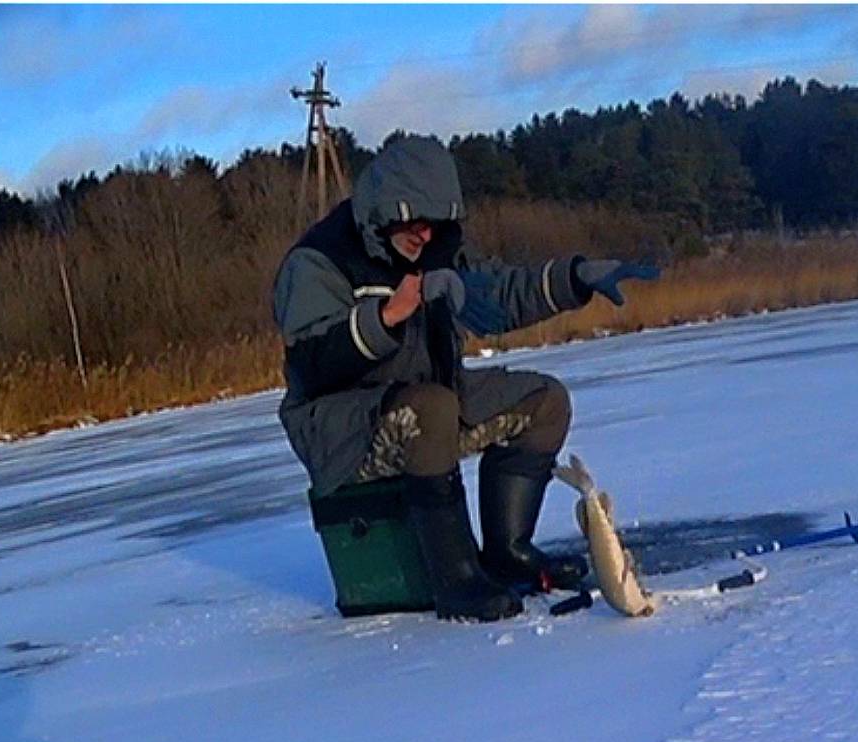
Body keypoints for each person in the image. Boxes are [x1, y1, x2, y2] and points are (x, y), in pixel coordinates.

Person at [272, 136, 657, 622]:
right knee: (430, 408)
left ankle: (507, 553)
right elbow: (313, 363)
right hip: (341, 429)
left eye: (433, 224)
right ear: (383, 211)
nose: (423, 236)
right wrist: (386, 317)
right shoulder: (319, 261)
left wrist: (574, 278)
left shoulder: (435, 252)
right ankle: (457, 579)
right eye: (412, 222)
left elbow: (499, 294)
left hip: (429, 403)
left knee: (544, 401)